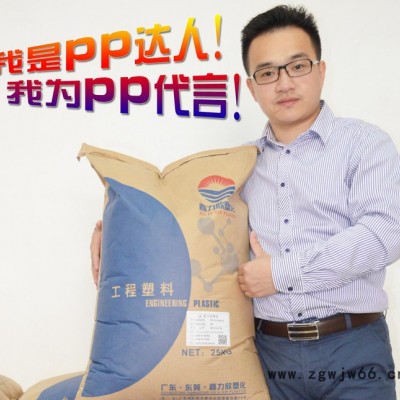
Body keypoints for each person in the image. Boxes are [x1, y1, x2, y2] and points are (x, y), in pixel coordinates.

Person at [90, 5, 400, 399]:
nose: (284, 83)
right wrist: (118, 237)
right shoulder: (238, 166)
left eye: (297, 66)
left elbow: (385, 233)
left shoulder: (364, 144)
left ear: (321, 71)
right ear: (252, 88)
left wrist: (281, 273)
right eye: (267, 73)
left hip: (353, 349)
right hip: (267, 358)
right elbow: (189, 222)